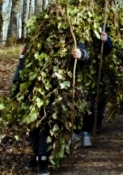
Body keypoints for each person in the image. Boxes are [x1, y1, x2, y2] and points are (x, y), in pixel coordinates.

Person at [13, 43, 90, 175]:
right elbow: (22, 62)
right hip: (33, 89)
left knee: (48, 123)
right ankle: (38, 154)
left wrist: (81, 54)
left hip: (57, 89)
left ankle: (43, 159)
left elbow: (86, 55)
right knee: (33, 124)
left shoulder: (69, 38)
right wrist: (17, 83)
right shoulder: (34, 40)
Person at [79, 30, 113, 147]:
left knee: (88, 104)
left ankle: (85, 132)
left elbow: (108, 49)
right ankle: (74, 133)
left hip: (91, 73)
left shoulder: (97, 26)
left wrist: (106, 40)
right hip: (74, 73)